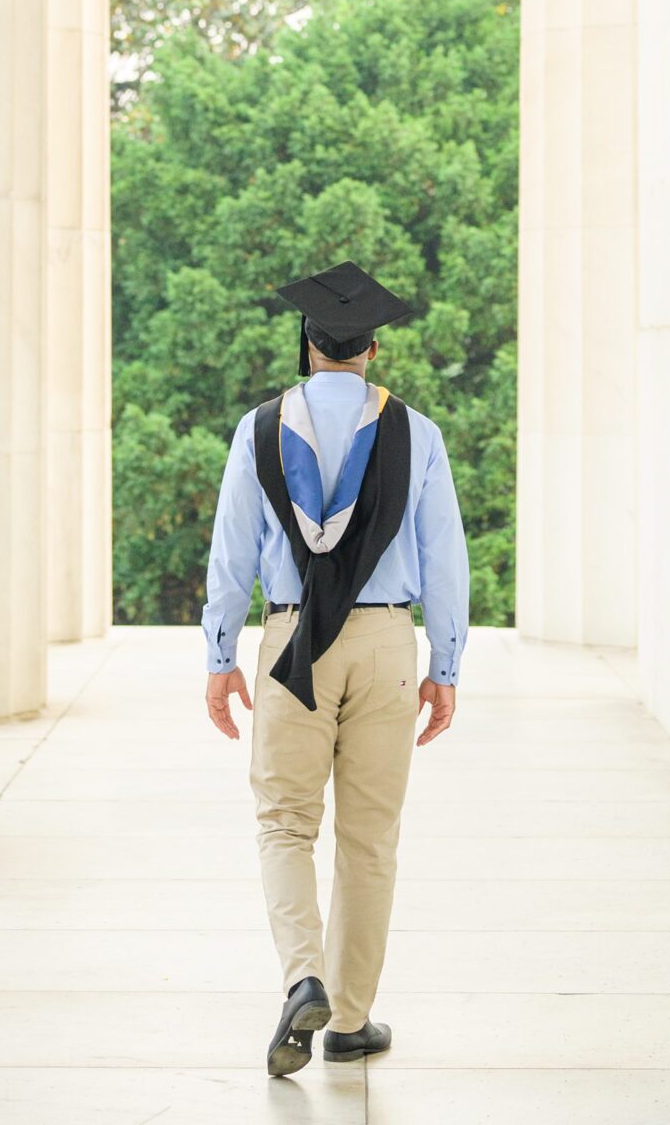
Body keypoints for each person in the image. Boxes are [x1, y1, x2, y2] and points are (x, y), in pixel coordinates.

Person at [202, 260, 470, 1077]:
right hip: (388, 644)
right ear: (371, 351)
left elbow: (231, 556)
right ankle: (349, 1020)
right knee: (368, 838)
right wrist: (445, 664)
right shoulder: (415, 434)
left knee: (285, 824)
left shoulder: (259, 431)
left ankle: (302, 977)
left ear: (306, 345)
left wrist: (220, 656)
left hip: (290, 644)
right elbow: (446, 559)